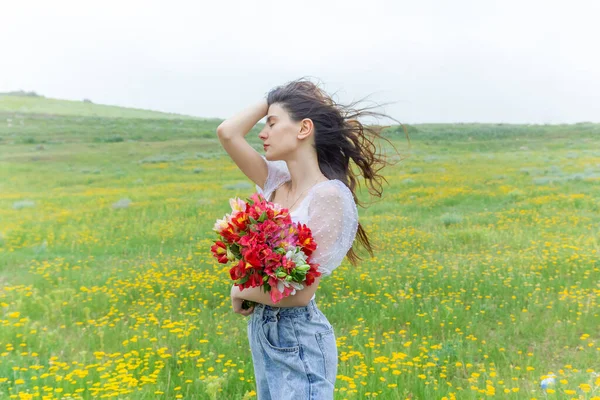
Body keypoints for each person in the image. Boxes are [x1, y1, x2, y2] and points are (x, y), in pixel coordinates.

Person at [216, 77, 404, 399]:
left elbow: (302, 294)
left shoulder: (328, 197)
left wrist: (239, 290)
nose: (262, 133)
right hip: (263, 330)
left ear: (304, 129)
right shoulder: (275, 182)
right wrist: (275, 98)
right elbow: (227, 132)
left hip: (298, 336)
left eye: (272, 123)